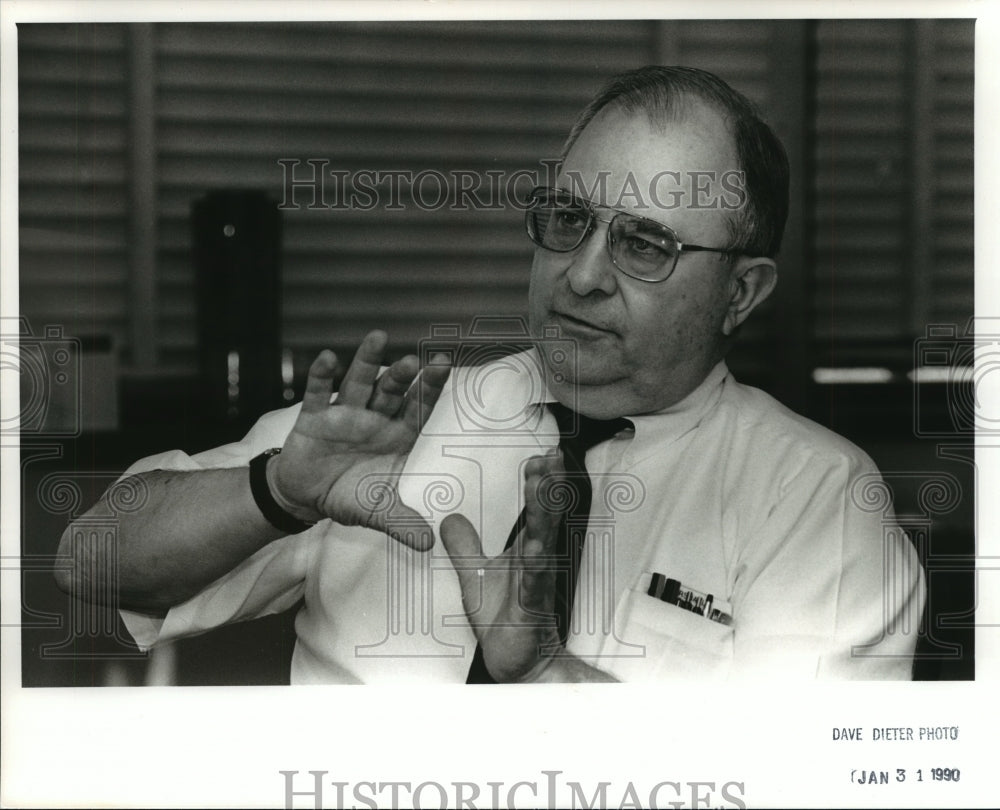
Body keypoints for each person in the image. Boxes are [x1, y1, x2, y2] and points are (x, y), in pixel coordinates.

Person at [56, 65, 924, 683]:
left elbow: (806, 783)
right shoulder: (400, 422)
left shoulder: (815, 499)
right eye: (568, 219)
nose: (582, 274)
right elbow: (87, 561)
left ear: (741, 291)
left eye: (644, 242)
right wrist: (276, 491)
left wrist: (546, 678)